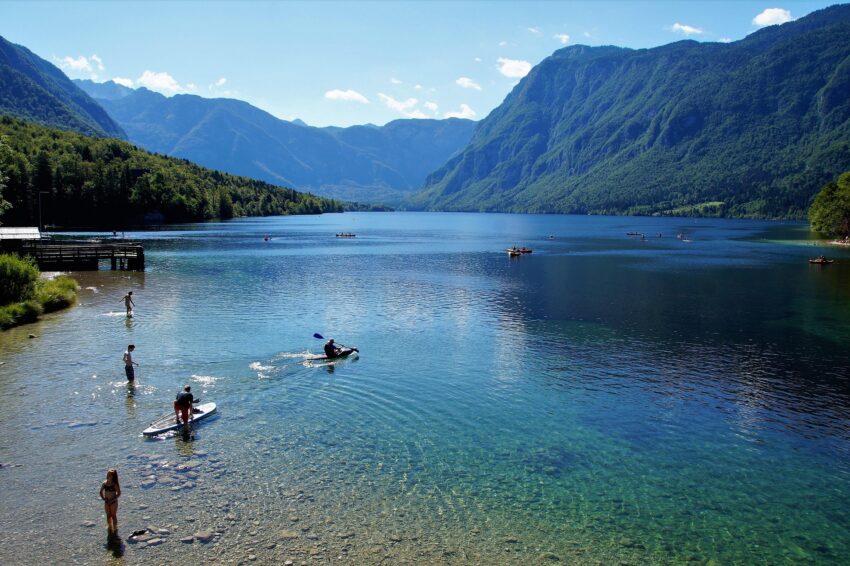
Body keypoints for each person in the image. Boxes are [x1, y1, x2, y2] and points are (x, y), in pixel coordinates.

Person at [99, 468, 121, 533]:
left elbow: (119, 493)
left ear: (113, 477)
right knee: (108, 515)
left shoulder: (114, 484)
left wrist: (113, 499)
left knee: (113, 515)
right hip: (107, 502)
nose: (109, 477)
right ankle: (109, 527)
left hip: (113, 502)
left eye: (110, 476)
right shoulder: (104, 483)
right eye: (108, 475)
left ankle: (115, 528)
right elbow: (100, 492)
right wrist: (103, 498)